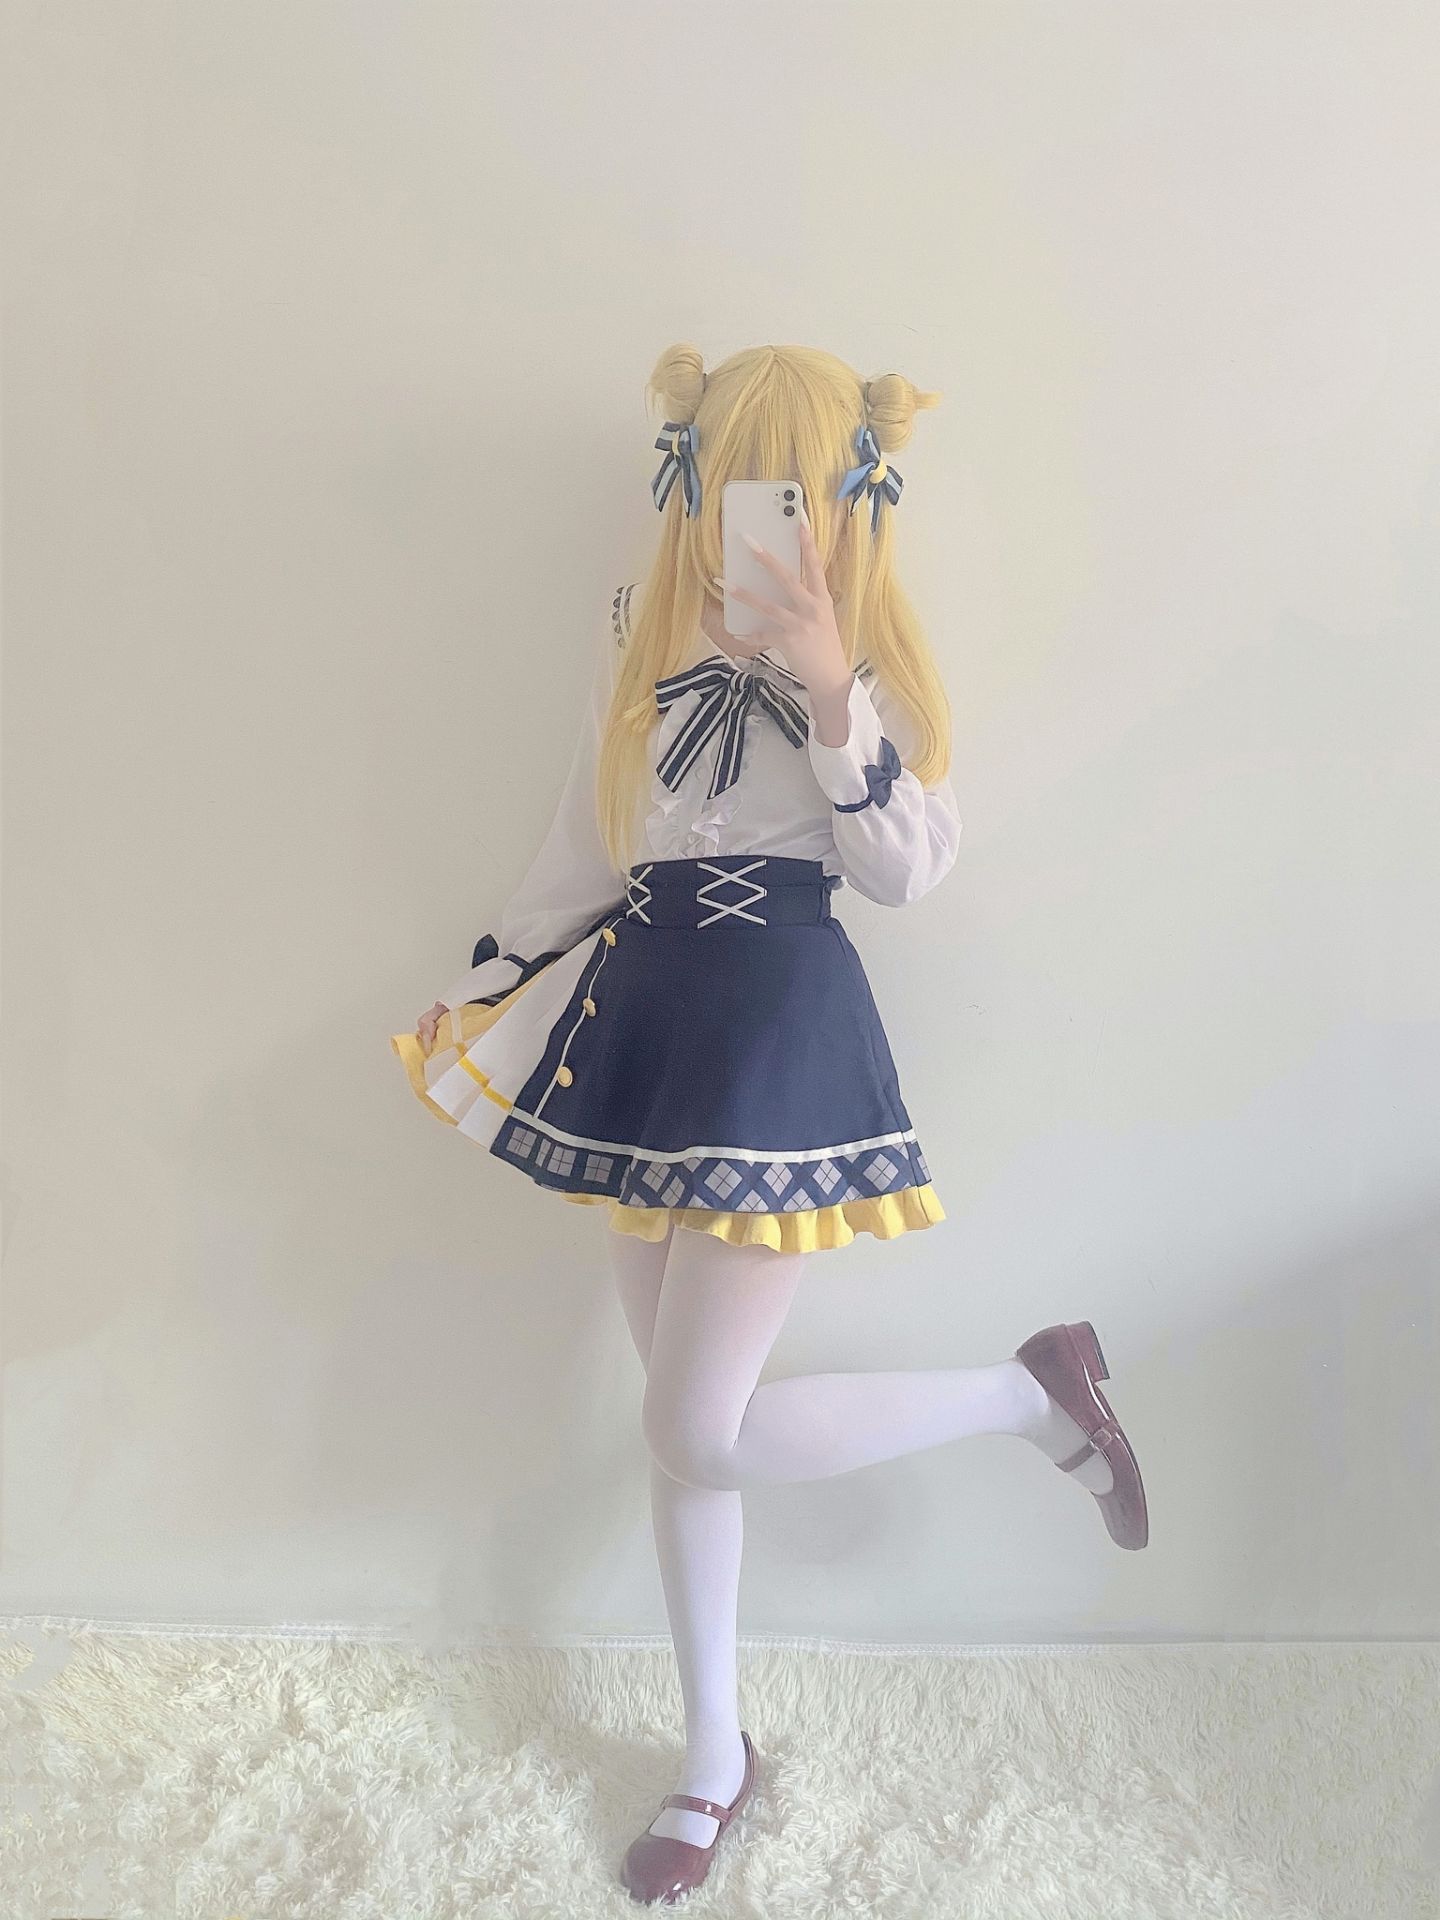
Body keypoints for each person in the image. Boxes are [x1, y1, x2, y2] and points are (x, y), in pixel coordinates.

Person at [391, 342, 1147, 1905]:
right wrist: (489, 980)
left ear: (848, 494)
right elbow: (588, 838)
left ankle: (1030, 1397)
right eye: (738, 478)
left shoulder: (871, 656)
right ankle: (710, 1753)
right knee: (690, 1425)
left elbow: (905, 870)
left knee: (696, 1427)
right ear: (692, 478)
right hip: (646, 1017)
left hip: (780, 1032)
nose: (761, 512)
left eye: (789, 486)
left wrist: (824, 679)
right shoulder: (641, 630)